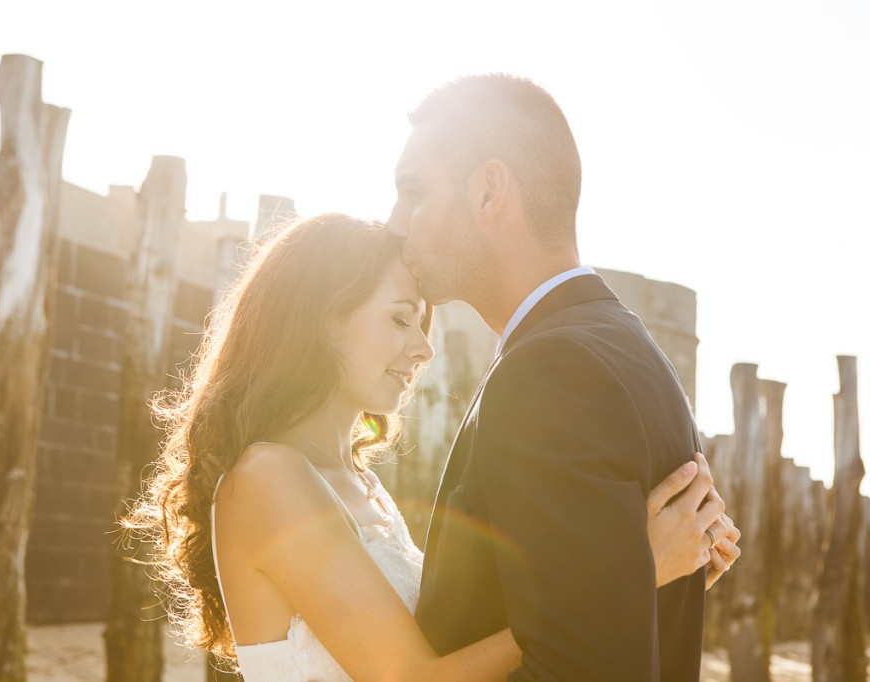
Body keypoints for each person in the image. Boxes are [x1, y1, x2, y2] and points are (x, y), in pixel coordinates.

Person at [128, 212, 739, 681]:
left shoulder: (362, 485)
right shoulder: (268, 478)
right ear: (316, 319)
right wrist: (627, 575)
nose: (423, 350)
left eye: (423, 325)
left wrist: (653, 573)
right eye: (400, 320)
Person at [387, 74, 735, 681]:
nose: (394, 223)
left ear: (489, 190)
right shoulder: (629, 351)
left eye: (413, 192)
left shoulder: (550, 375)